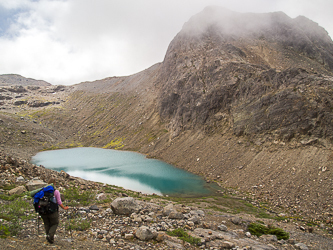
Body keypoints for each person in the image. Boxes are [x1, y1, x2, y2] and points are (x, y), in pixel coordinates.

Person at [40, 178, 69, 244]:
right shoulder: (56, 192)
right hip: (52, 211)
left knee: (47, 223)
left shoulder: (42, 191)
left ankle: (49, 237)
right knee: (55, 223)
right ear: (54, 184)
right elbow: (59, 202)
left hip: (43, 211)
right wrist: (64, 207)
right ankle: (50, 236)